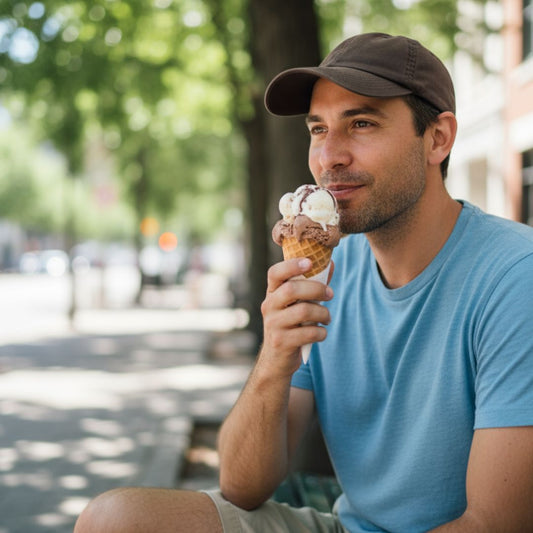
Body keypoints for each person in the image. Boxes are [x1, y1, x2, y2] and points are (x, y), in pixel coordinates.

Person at [74, 33, 533, 532]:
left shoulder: (514, 277)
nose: (329, 157)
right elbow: (242, 485)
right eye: (318, 129)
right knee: (113, 520)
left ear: (438, 138)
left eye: (361, 123)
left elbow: (493, 524)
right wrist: (276, 357)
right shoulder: (326, 271)